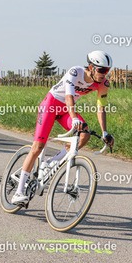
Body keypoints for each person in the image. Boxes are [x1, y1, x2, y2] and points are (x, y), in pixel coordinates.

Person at [10, 51, 115, 206]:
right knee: (38, 147)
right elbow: (68, 97)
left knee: (84, 135)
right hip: (50, 106)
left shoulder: (103, 83)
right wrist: (74, 118)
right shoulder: (75, 72)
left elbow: (101, 108)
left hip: (65, 110)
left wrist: (105, 132)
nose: (104, 74)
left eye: (107, 71)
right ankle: (18, 193)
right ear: (91, 67)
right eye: (102, 70)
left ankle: (52, 162)